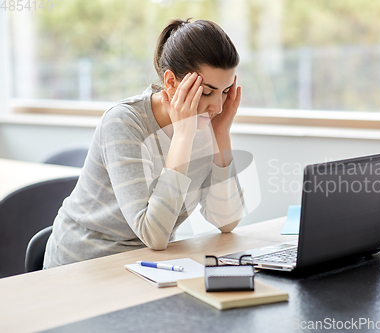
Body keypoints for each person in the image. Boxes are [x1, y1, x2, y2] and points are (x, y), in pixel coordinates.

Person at [44, 18, 245, 268]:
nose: (218, 106)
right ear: (171, 82)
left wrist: (221, 133)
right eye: (206, 92)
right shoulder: (123, 122)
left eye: (225, 92)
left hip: (148, 263)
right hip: (85, 264)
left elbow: (227, 220)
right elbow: (153, 235)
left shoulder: (207, 124)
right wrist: (183, 136)